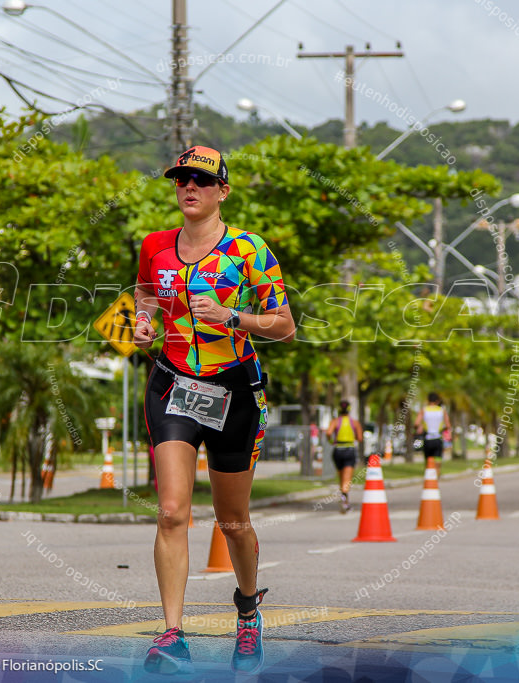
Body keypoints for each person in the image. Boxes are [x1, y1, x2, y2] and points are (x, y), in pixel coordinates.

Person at [133, 145, 295, 675]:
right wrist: (142, 325)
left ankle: (248, 610)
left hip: (234, 390)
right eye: (181, 180)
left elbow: (285, 326)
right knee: (172, 511)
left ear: (222, 190)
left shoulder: (249, 250)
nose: (189, 188)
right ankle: (172, 632)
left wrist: (232, 315)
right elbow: (144, 297)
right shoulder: (155, 246)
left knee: (232, 520)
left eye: (201, 181)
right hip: (173, 385)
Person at [326, 399, 363, 513]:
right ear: (349, 409)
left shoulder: (335, 421)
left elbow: (328, 433)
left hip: (338, 450)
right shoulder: (354, 422)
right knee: (347, 479)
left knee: (341, 477)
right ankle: (345, 502)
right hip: (349, 450)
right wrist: (353, 438)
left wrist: (332, 441)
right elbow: (360, 438)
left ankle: (343, 498)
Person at [414, 392, 451, 477]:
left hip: (427, 438)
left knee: (428, 459)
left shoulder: (424, 410)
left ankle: (428, 476)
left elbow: (416, 424)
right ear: (437, 401)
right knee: (438, 459)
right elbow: (448, 425)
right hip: (438, 438)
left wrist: (420, 427)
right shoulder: (442, 410)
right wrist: (442, 428)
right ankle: (437, 476)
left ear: (428, 400)